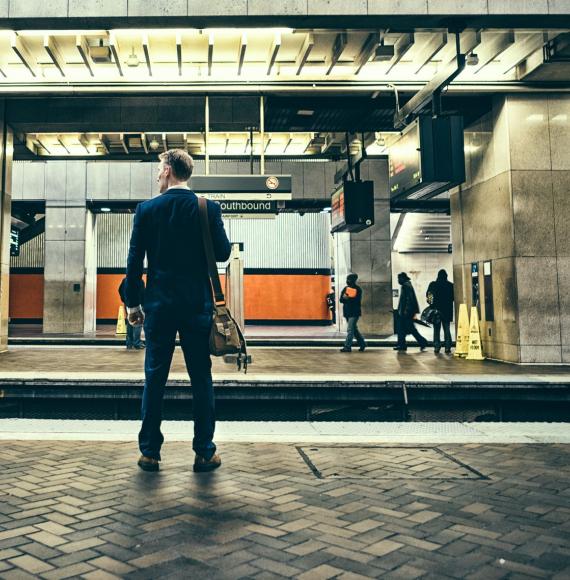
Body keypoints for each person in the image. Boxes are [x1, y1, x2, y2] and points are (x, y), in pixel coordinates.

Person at [125, 149, 231, 474]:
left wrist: (133, 303)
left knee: (154, 378)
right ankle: (204, 452)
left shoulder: (146, 210)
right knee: (201, 378)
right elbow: (224, 253)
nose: (157, 175)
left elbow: (133, 263)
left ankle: (150, 453)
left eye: (159, 169)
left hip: (158, 307)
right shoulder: (206, 208)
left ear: (169, 170)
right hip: (197, 307)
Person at [395, 272, 428, 352]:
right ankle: (402, 345)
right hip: (405, 312)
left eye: (399, 278)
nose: (398, 280)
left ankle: (422, 342)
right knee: (402, 329)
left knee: (409, 329)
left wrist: (405, 312)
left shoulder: (406, 286)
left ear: (403, 278)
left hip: (406, 313)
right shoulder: (406, 285)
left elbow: (409, 300)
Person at [427, 269, 454, 354]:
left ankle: (437, 346)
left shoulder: (433, 285)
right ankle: (447, 347)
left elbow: (429, 296)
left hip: (436, 311)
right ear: (446, 276)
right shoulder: (450, 285)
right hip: (447, 311)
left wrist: (431, 305)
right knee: (447, 329)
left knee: (436, 329)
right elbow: (453, 298)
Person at [339, 273, 366, 353]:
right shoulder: (345, 289)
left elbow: (357, 301)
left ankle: (347, 346)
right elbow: (341, 300)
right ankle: (362, 344)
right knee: (354, 330)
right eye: (347, 279)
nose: (347, 281)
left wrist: (348, 299)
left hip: (354, 312)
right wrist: (346, 299)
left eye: (349, 279)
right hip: (347, 312)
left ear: (353, 280)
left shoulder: (358, 289)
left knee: (350, 329)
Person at [118, 277, 144, 350]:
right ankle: (137, 343)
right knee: (138, 323)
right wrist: (142, 303)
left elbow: (120, 290)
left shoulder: (125, 280)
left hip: (128, 304)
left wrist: (124, 300)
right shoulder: (139, 281)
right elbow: (142, 292)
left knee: (130, 322)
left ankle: (129, 343)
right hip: (137, 304)